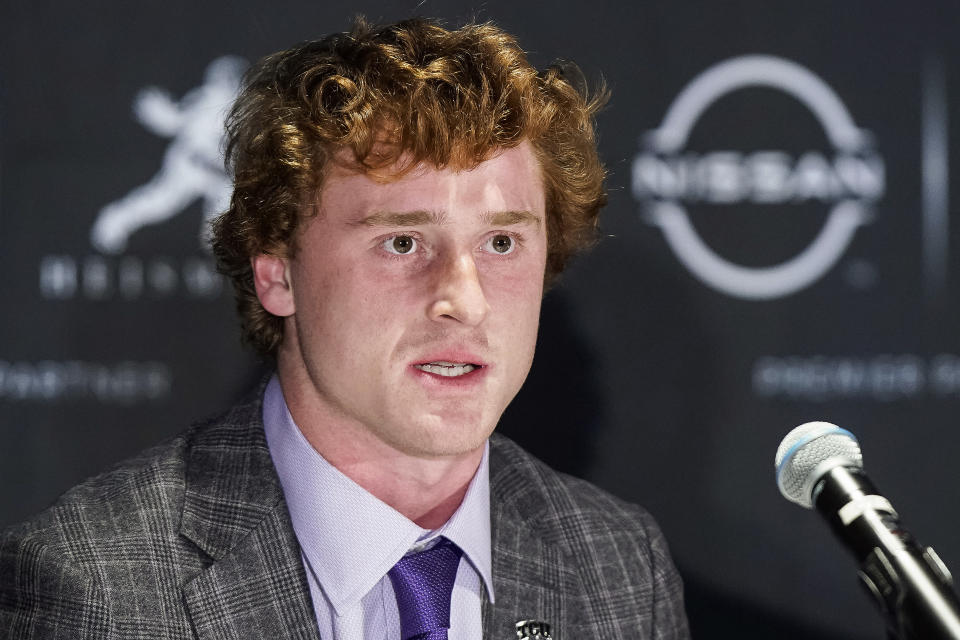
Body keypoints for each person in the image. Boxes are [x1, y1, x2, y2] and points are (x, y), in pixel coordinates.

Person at [0, 17, 689, 640]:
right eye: (402, 242)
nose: (464, 299)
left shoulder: (618, 565)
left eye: (502, 243)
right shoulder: (94, 588)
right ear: (277, 271)